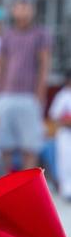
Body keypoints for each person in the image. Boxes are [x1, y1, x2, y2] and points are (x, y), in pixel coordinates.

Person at [0, 0, 52, 171]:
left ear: (33, 10)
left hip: (29, 96)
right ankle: (5, 188)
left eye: (27, 6)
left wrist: (40, 94)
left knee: (30, 147)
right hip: (6, 96)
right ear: (13, 9)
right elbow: (1, 65)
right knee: (4, 145)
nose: (23, 10)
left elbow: (44, 65)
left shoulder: (41, 34)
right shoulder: (7, 35)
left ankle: (28, 190)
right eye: (19, 6)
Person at [49, 70, 71, 200]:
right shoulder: (62, 95)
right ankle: (67, 190)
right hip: (65, 134)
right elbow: (54, 116)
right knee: (65, 162)